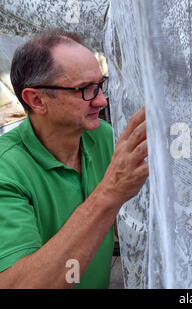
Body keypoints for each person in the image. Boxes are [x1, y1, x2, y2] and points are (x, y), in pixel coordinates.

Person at [0, 29, 148, 288]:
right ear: (36, 100)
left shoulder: (101, 137)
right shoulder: (6, 170)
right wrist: (109, 193)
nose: (102, 100)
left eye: (100, 85)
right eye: (85, 90)